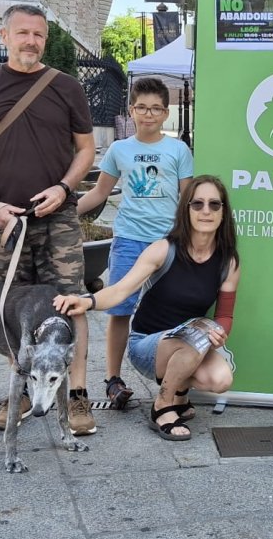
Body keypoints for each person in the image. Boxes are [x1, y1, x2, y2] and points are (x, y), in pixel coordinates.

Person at [0, 3, 98, 435]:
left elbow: (86, 149)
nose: (30, 41)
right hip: (5, 222)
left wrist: (65, 188)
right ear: (4, 37)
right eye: (22, 33)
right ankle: (18, 391)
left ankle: (76, 395)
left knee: (70, 303)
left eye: (38, 34)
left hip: (59, 218)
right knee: (12, 309)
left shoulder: (66, 87)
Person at [56, 175, 240, 441]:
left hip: (191, 345)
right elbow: (120, 290)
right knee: (191, 338)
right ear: (185, 209)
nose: (206, 211)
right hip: (147, 346)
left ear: (223, 212)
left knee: (220, 379)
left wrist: (221, 332)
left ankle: (178, 393)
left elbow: (224, 315)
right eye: (197, 204)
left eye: (214, 204)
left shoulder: (228, 262)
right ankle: (163, 406)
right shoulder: (164, 249)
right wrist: (87, 301)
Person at [77, 77, 193, 410]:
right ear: (131, 110)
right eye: (141, 107)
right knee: (120, 309)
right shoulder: (119, 149)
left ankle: (170, 381)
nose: (148, 114)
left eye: (156, 108)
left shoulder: (178, 150)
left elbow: (187, 198)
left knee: (170, 312)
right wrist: (65, 209)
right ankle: (113, 380)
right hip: (128, 238)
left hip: (168, 243)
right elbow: (100, 192)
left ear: (165, 113)